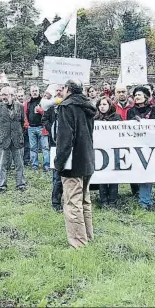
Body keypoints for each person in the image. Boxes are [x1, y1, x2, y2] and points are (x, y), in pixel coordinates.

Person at [55, 79, 96, 249]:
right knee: (84, 201)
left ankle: (78, 244)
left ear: (68, 89)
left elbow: (65, 138)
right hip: (87, 158)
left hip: (72, 161)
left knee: (72, 203)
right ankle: (88, 236)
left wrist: (59, 162)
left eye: (62, 88)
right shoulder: (87, 106)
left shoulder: (67, 107)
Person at [127, 86, 155, 210]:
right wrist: (132, 121)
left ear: (146, 97)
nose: (136, 97)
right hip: (135, 145)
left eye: (139, 95)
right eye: (135, 95)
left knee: (147, 172)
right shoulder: (131, 111)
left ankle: (145, 201)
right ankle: (140, 195)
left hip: (150, 146)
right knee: (138, 172)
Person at [0, 87, 27, 193]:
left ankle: (21, 184)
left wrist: (19, 134)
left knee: (19, 164)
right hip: (3, 140)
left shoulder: (19, 107)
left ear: (13, 95)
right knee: (1, 164)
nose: (4, 97)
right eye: (2, 95)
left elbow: (22, 122)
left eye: (6, 94)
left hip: (17, 140)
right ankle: (2, 185)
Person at [94, 96, 122, 207]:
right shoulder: (95, 118)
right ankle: (103, 200)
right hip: (100, 151)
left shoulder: (117, 117)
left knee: (113, 176)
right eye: (100, 105)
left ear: (109, 105)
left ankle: (113, 201)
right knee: (102, 176)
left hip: (114, 150)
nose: (102, 106)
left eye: (104, 104)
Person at [42, 89, 64, 212]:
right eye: (57, 93)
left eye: (60, 93)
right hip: (54, 144)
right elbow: (44, 119)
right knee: (56, 175)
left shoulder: (68, 106)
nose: (58, 95)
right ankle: (56, 202)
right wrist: (52, 129)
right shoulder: (50, 107)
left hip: (68, 145)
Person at [24, 86, 50, 171]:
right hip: (31, 128)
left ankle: (47, 165)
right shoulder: (27, 103)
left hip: (42, 127)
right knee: (33, 148)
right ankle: (34, 164)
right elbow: (25, 114)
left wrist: (40, 110)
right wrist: (27, 124)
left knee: (45, 147)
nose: (34, 92)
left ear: (39, 92)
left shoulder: (43, 101)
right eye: (33, 91)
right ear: (30, 93)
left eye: (36, 91)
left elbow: (47, 114)